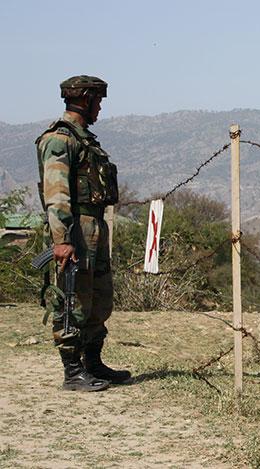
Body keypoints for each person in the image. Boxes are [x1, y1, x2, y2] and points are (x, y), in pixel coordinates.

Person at [35, 75, 130, 391]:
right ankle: (73, 372)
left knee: (98, 297)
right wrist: (62, 240)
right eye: (98, 101)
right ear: (85, 100)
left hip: (95, 225)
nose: (100, 107)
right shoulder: (59, 140)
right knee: (73, 299)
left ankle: (93, 363)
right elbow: (56, 193)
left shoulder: (84, 140)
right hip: (76, 228)